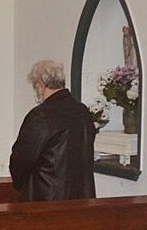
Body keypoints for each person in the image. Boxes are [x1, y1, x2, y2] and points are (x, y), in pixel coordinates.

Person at [9, 59, 96, 201]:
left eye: (35, 86)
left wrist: (19, 183)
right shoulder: (82, 111)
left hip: (47, 199)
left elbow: (22, 159)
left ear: (41, 85)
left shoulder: (41, 115)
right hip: (82, 199)